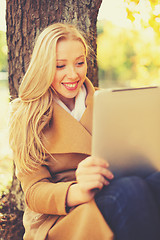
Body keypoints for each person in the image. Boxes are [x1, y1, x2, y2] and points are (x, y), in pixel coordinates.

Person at [9, 22, 160, 240]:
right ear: (43, 66)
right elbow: (33, 192)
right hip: (62, 214)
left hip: (116, 184)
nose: (72, 75)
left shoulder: (109, 101)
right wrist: (78, 190)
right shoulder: (26, 115)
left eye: (79, 63)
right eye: (60, 66)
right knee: (130, 191)